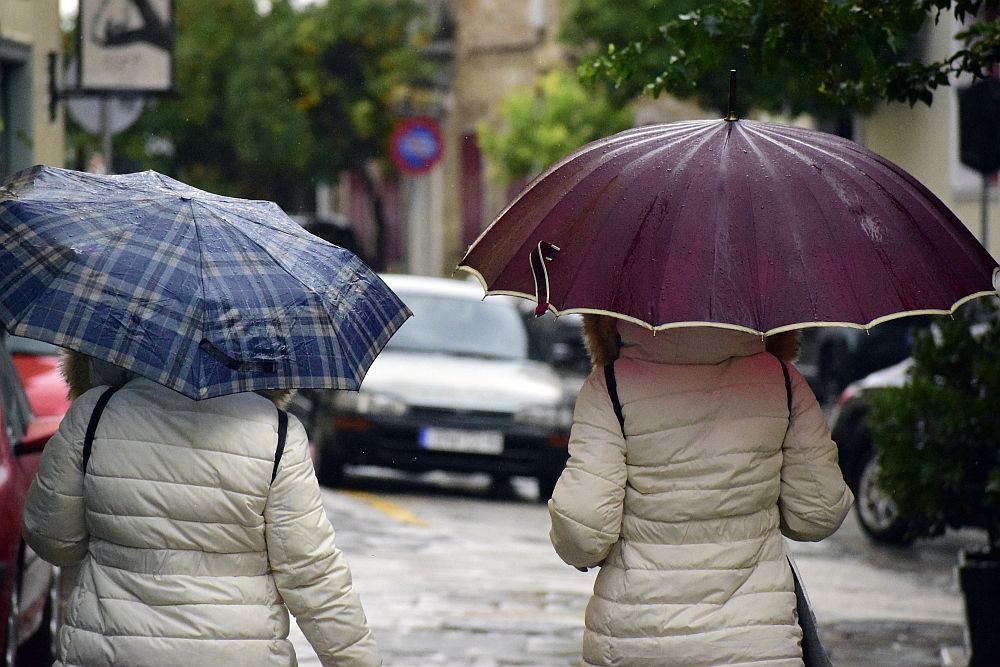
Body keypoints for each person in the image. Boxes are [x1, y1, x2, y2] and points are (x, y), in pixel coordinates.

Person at [22, 351, 381, 667]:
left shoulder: (95, 415)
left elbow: (55, 541)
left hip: (109, 649)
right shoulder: (278, 437)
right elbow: (312, 573)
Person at [548, 316, 853, 667]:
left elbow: (583, 529)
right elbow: (820, 512)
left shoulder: (611, 387)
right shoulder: (782, 381)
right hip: (755, 642)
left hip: (638, 639)